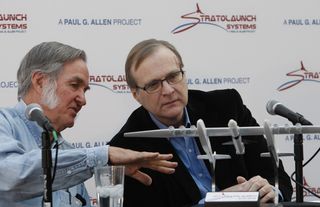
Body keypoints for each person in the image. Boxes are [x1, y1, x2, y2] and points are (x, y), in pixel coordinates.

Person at [109, 39, 293, 207]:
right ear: (136, 94)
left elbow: (279, 178)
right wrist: (218, 202)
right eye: (153, 84)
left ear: (184, 74)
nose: (168, 90)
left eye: (173, 76)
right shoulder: (125, 149)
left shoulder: (227, 107)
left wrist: (271, 191)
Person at [0, 41, 178, 207]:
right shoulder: (4, 123)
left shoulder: (68, 152)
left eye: (84, 90)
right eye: (74, 85)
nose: (83, 100)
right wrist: (102, 155)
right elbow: (9, 177)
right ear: (40, 81)